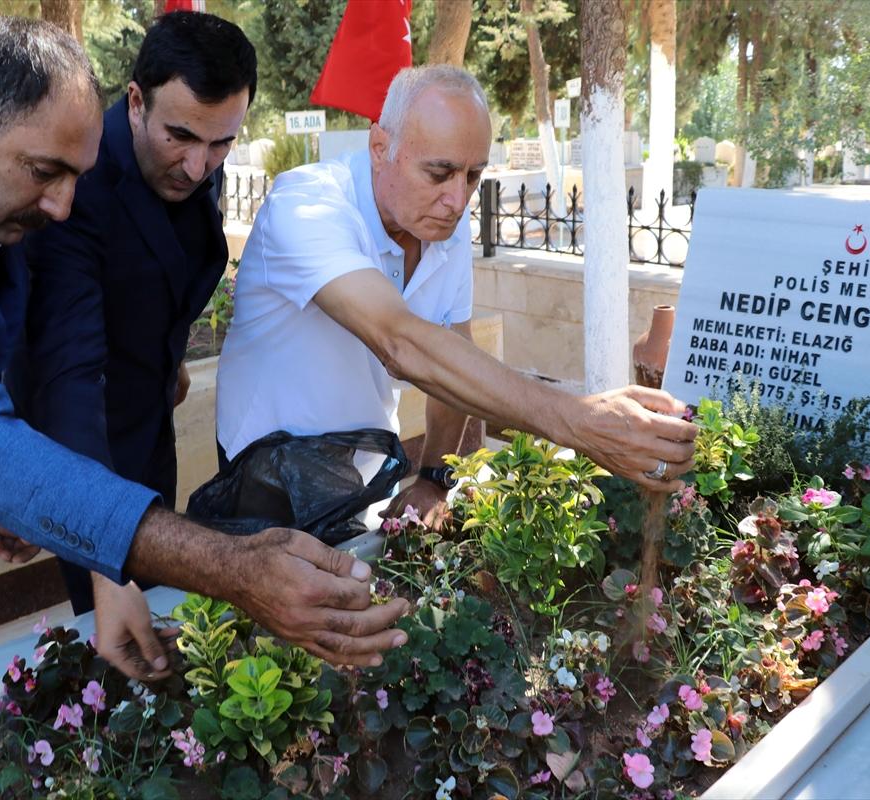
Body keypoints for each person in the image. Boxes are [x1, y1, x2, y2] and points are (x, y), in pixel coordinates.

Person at [0, 17, 406, 719]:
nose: (64, 207)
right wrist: (229, 567)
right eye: (45, 173)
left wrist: (16, 483)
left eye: (77, 176)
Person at [209, 64, 698, 533]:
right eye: (439, 173)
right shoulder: (306, 206)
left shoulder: (443, 220)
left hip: (359, 475)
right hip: (264, 482)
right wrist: (578, 420)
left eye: (473, 175)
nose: (458, 198)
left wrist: (435, 476)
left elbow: (453, 348)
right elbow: (401, 343)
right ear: (380, 147)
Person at [0, 11, 254, 617]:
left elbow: (171, 267)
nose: (199, 167)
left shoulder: (195, 160)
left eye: (222, 143)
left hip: (152, 421)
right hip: (85, 450)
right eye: (182, 137)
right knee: (123, 637)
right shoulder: (76, 185)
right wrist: (100, 548)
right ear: (136, 101)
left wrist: (167, 355)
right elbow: (67, 376)